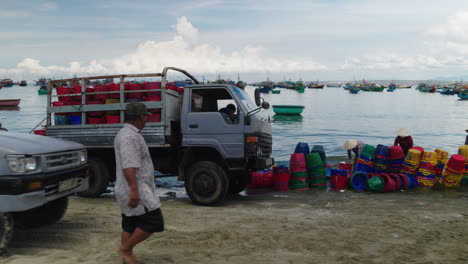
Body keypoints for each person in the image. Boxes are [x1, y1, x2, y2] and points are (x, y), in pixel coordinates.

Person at [114, 102, 164, 264]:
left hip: (125, 187)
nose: (146, 121)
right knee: (154, 222)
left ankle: (126, 260)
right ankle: (125, 249)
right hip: (136, 187)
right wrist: (134, 190)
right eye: (145, 117)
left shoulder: (125, 133)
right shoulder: (130, 137)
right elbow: (129, 165)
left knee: (129, 224)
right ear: (140, 117)